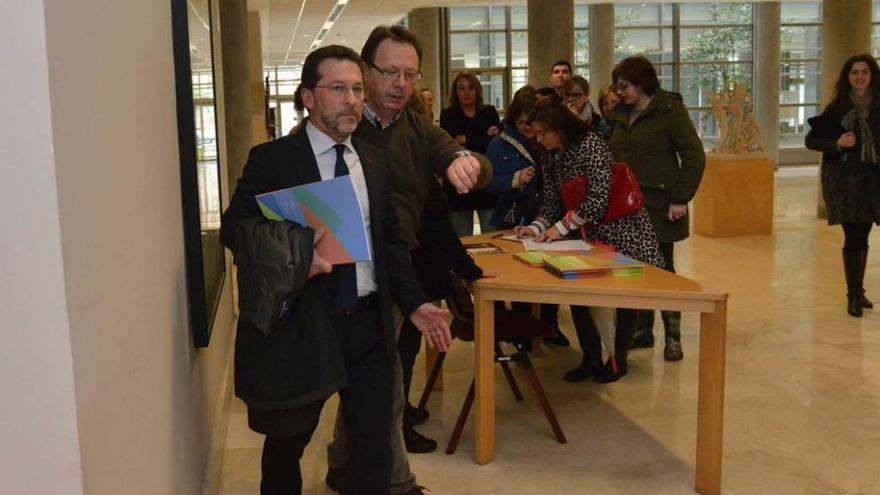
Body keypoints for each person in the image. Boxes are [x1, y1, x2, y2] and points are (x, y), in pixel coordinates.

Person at [219, 45, 452, 495]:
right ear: (308, 97)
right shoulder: (273, 160)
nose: (351, 99)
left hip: (368, 322)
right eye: (338, 88)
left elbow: (390, 246)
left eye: (358, 89)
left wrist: (416, 302)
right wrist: (297, 254)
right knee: (289, 440)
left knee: (371, 446)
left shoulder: (373, 160)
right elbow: (235, 228)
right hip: (307, 322)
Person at [326, 25, 493, 495]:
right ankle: (395, 483)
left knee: (381, 379)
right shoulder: (343, 124)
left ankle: (343, 463)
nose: (401, 84)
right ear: (365, 70)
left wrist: (466, 160)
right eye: (390, 72)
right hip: (350, 275)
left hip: (399, 272)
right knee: (381, 383)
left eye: (411, 74)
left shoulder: (414, 123)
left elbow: (456, 154)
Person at [515, 98, 664, 383]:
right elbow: (551, 202)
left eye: (543, 132)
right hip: (585, 235)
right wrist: (536, 228)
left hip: (621, 232)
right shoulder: (549, 156)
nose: (539, 139)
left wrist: (558, 228)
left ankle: (618, 360)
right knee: (579, 296)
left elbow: (598, 200)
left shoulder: (591, 146)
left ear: (559, 128)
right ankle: (591, 357)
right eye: (536, 133)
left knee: (624, 297)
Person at [607, 55, 705, 362]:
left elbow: (694, 156)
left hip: (661, 205)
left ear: (642, 83)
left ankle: (673, 337)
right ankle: (642, 330)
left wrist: (680, 198)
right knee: (636, 269)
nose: (619, 92)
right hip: (628, 207)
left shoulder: (669, 110)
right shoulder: (620, 115)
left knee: (663, 270)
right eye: (617, 86)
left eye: (625, 86)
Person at [485, 89, 570, 346]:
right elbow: (488, 183)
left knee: (549, 278)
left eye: (532, 124)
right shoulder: (499, 144)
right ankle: (520, 331)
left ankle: (549, 325)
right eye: (522, 123)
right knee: (518, 278)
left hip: (545, 217)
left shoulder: (548, 142)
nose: (529, 130)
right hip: (512, 218)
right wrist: (515, 179)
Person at [806, 53, 880, 317]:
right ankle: (852, 294)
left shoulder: (879, 107)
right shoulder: (837, 108)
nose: (859, 77)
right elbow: (812, 141)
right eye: (854, 73)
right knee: (854, 236)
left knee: (865, 234)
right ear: (847, 78)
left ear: (872, 75)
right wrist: (837, 144)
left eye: (864, 72)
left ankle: (859, 292)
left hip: (873, 181)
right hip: (845, 181)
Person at [440, 72, 502, 236]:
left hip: (487, 181)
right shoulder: (448, 115)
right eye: (461, 88)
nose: (466, 93)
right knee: (462, 240)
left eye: (470, 88)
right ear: (456, 92)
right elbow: (452, 145)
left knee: (492, 236)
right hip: (459, 185)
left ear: (477, 91)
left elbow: (493, 144)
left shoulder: (489, 112)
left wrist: (466, 139)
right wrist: (482, 136)